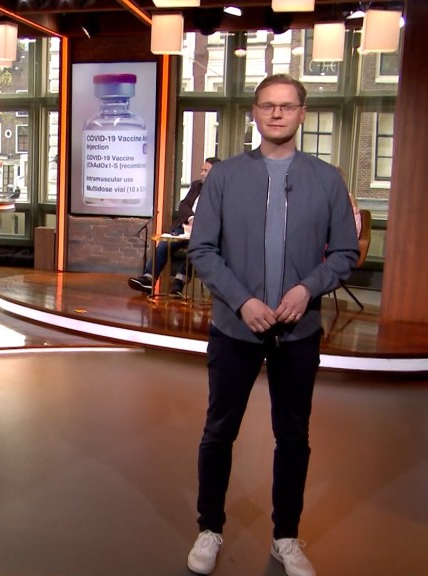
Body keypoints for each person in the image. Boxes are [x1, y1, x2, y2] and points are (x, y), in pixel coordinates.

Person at [185, 75, 358, 576]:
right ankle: (209, 528)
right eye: (267, 105)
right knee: (219, 432)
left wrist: (307, 289)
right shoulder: (224, 177)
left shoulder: (327, 180)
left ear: (302, 113)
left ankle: (286, 536)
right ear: (254, 113)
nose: (277, 114)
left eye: (286, 106)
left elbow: (345, 252)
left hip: (298, 333)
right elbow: (202, 249)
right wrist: (242, 301)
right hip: (234, 329)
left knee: (294, 436)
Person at [129, 157, 220, 298]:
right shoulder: (196, 185)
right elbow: (184, 205)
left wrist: (201, 223)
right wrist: (191, 218)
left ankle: (178, 283)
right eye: (202, 170)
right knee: (165, 243)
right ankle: (148, 278)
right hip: (185, 227)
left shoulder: (221, 191)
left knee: (196, 249)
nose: (201, 173)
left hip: (204, 232)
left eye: (205, 171)